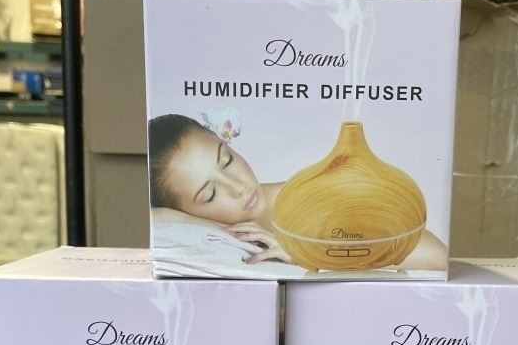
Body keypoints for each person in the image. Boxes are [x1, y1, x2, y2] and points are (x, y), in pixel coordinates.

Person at [148, 114, 448, 270]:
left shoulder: (311, 196)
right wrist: (201, 223)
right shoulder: (205, 231)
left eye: (227, 160)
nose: (238, 187)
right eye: (211, 195)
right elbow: (156, 217)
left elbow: (435, 255)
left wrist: (308, 253)